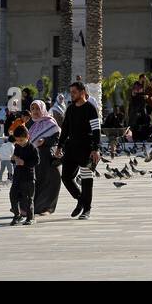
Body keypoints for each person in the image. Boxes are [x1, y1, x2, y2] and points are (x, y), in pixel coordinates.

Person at [56, 81, 101, 220]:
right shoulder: (70, 109)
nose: (72, 95)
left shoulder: (90, 108)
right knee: (66, 177)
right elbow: (65, 129)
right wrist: (59, 146)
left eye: (74, 92)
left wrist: (95, 149)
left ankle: (86, 209)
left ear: (82, 92)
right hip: (71, 148)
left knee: (87, 178)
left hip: (87, 149)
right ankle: (81, 200)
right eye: (71, 92)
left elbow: (96, 130)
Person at [27, 99, 61, 215]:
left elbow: (57, 138)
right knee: (37, 182)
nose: (35, 111)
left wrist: (45, 140)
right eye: (33, 109)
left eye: (37, 108)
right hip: (37, 159)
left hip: (49, 157)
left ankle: (47, 208)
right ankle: (34, 207)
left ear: (42, 109)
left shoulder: (50, 122)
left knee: (50, 182)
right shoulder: (32, 125)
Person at [9, 126, 38, 226]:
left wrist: (24, 163)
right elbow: (14, 159)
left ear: (27, 137)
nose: (19, 142)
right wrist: (13, 158)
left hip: (28, 177)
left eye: (21, 140)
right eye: (17, 140)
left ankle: (31, 217)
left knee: (28, 198)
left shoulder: (32, 148)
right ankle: (17, 215)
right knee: (13, 195)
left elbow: (36, 161)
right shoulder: (17, 146)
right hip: (18, 176)